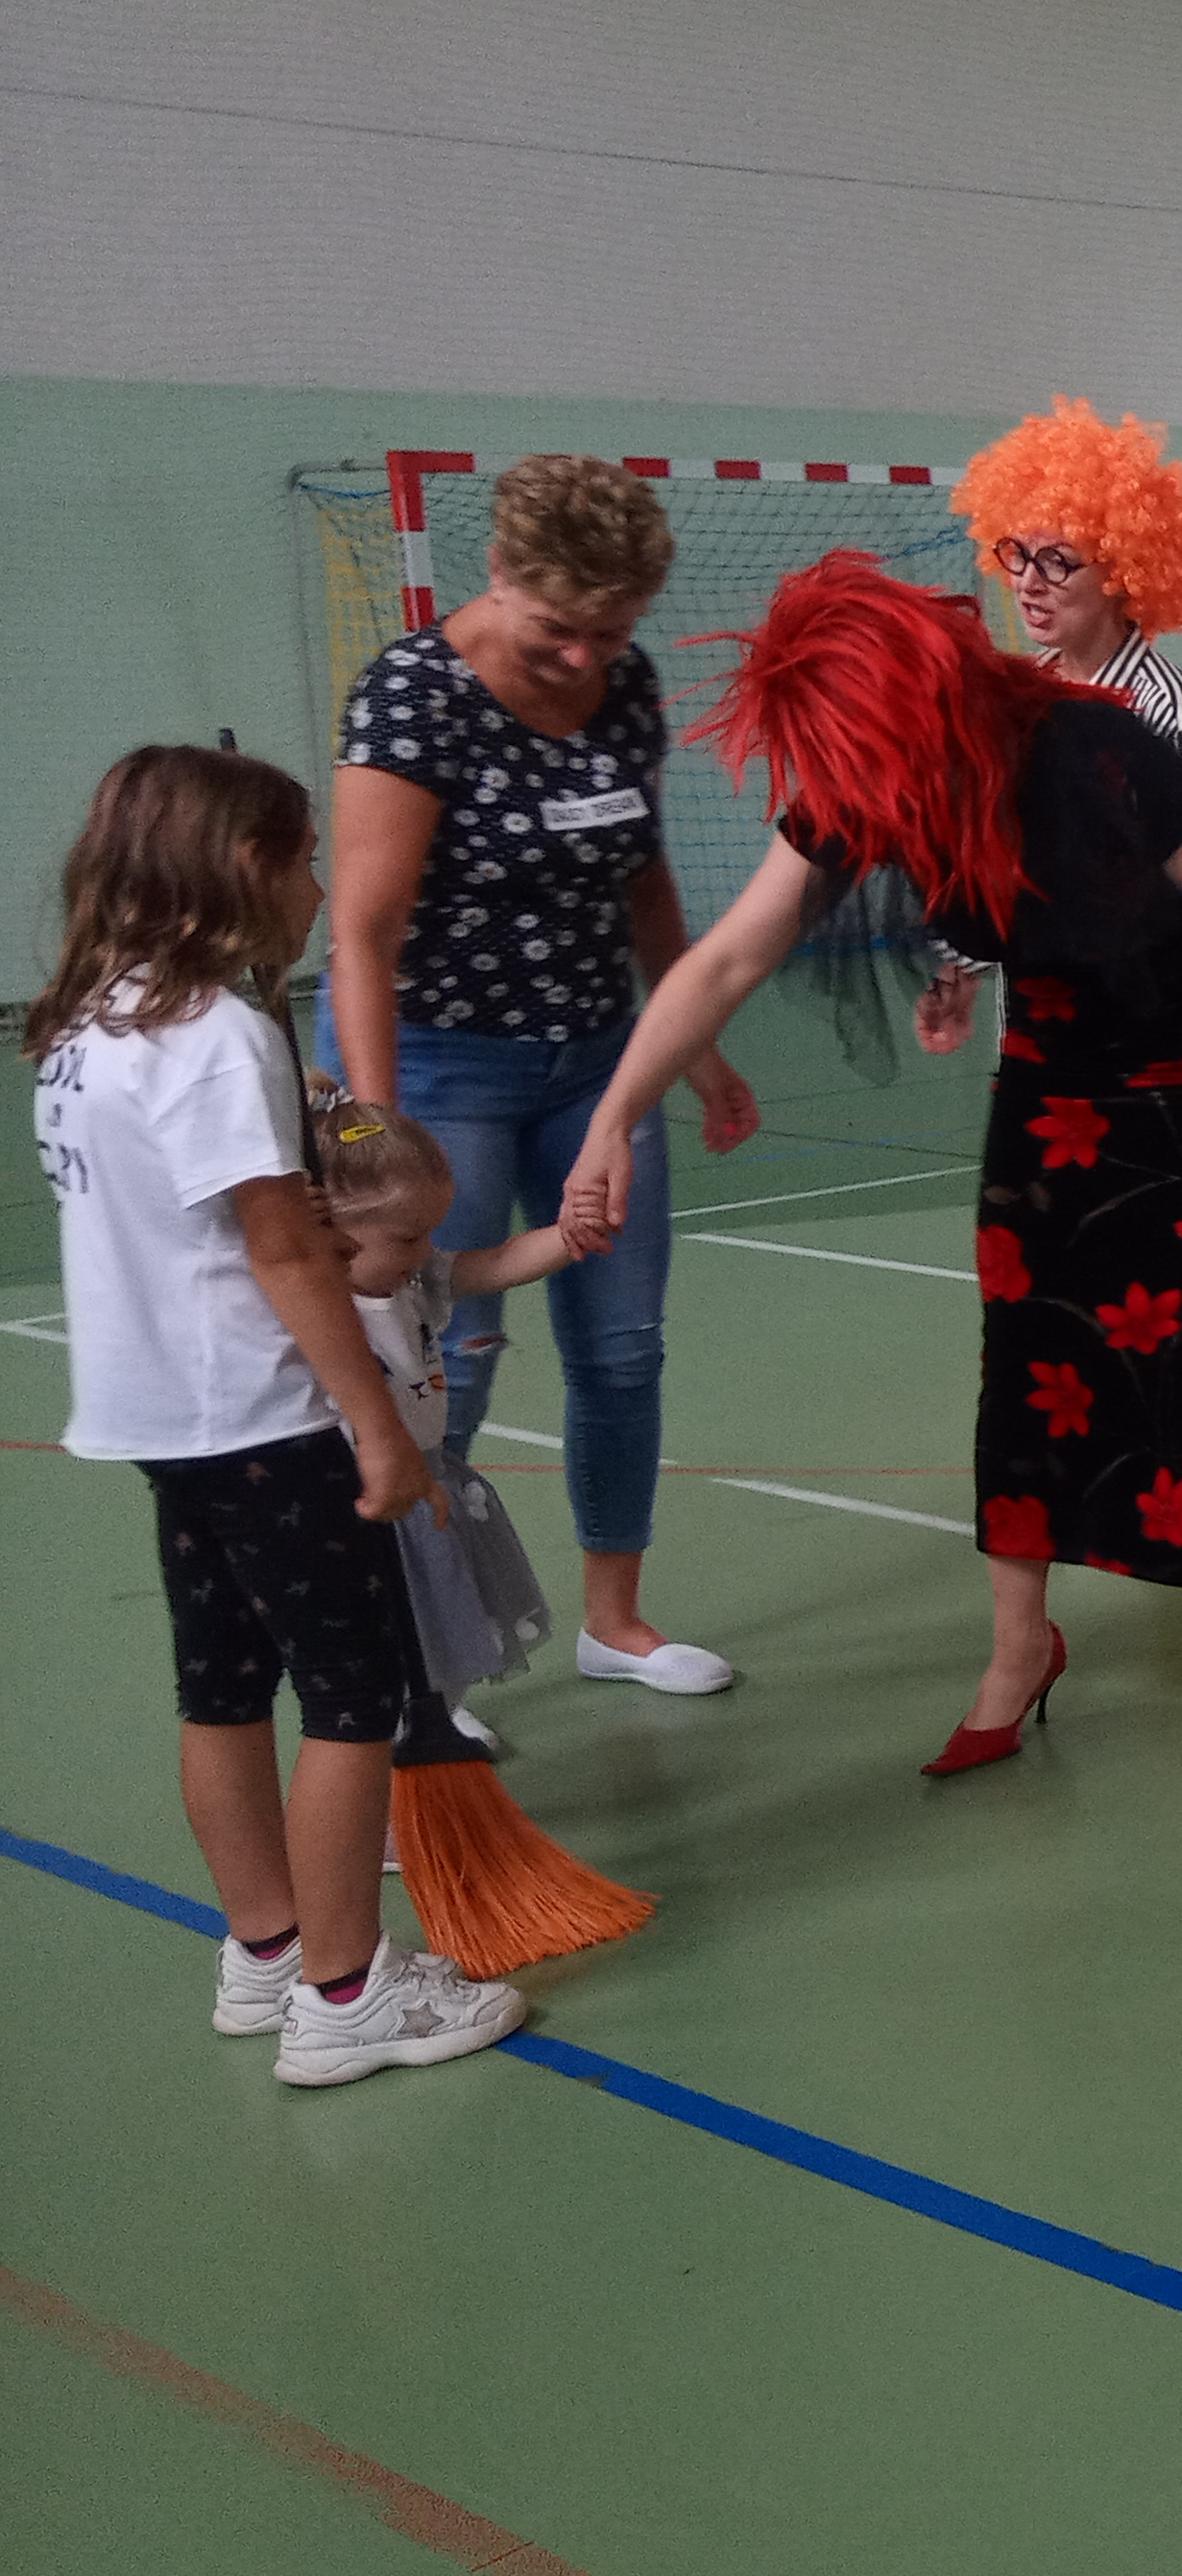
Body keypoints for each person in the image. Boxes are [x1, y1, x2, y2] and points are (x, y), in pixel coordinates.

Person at [558, 554, 1182, 1781]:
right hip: (1058, 1058)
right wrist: (615, 1115)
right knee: (1025, 1350)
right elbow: (724, 961)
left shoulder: (1102, 746)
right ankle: (1021, 1647)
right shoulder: (869, 778)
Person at [27, 745, 525, 2086]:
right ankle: (347, 1993)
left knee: (222, 1686)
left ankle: (265, 1951)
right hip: (260, 1417)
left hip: (158, 1418)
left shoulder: (86, 1026)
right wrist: (375, 1422)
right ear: (243, 866)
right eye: (305, 861)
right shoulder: (218, 1037)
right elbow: (285, 1251)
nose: (317, 890)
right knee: (354, 1700)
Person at [326, 451, 754, 1695]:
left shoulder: (626, 688)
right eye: (558, 629)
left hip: (596, 1068)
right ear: (501, 569)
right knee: (444, 1357)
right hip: (439, 1063)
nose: (581, 658)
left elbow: (646, 882)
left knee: (621, 1348)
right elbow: (362, 931)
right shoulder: (413, 694)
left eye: (609, 633)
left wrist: (695, 1048)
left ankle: (614, 1622)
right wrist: (375, 1130)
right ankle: (428, 1666)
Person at [920, 399, 1182, 1055]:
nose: (1027, 583)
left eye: (1058, 561)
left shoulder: (1168, 708)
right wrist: (961, 966)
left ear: (1123, 572)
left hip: (1153, 1033)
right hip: (1042, 1035)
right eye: (1018, 554)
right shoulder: (1021, 698)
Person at [308, 1091, 573, 1711]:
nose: (426, 1250)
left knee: (446, 1618)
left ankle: (438, 1717)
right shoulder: (314, 1307)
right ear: (330, 1229)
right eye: (408, 1237)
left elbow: (500, 1261)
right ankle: (396, 1725)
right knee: (375, 1637)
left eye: (430, 1233)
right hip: (359, 1498)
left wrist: (572, 1233)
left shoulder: (413, 1283)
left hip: (426, 1481)